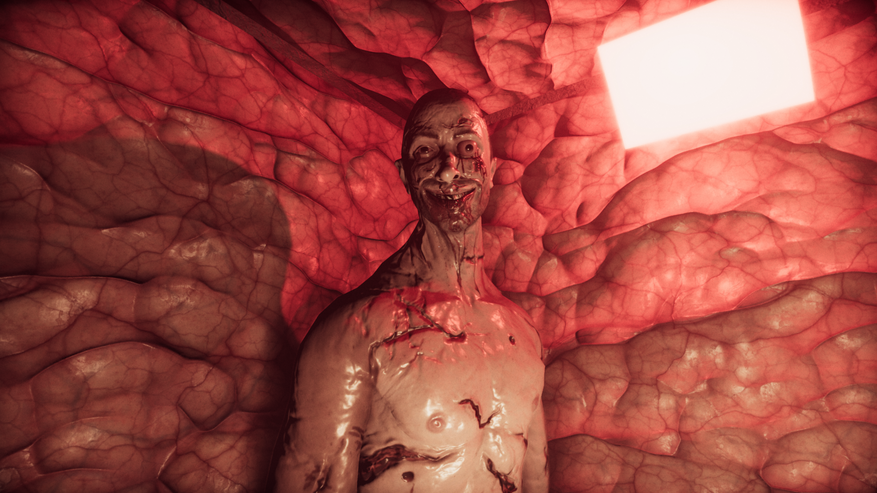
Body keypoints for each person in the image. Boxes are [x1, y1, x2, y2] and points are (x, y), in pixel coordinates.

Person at [275, 89, 548, 492]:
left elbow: (535, 481)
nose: (448, 171)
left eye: (467, 147)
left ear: (491, 169)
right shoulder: (354, 332)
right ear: (405, 176)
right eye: (425, 151)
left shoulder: (523, 336)